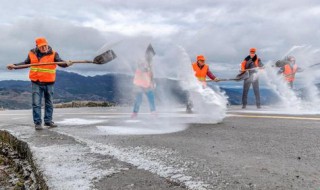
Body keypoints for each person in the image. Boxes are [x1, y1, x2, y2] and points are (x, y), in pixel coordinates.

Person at [7, 37, 73, 130]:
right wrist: (14, 66)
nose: (44, 48)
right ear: (37, 46)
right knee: (36, 103)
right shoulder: (32, 54)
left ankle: (48, 121)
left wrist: (67, 64)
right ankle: (38, 123)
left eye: (45, 46)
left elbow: (60, 62)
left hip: (49, 83)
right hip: (36, 82)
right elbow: (25, 63)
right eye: (42, 47)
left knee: (49, 103)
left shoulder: (54, 53)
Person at [131, 50, 156, 118]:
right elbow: (141, 68)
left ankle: (153, 112)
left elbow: (151, 75)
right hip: (139, 84)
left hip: (147, 84)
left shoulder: (150, 64)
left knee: (151, 97)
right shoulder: (141, 60)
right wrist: (147, 68)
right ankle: (135, 113)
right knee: (138, 99)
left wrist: (152, 82)